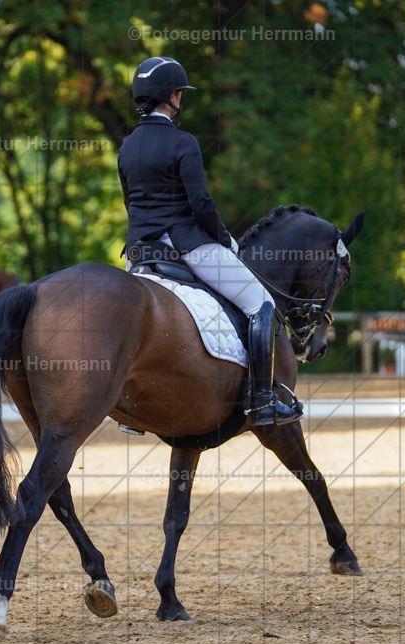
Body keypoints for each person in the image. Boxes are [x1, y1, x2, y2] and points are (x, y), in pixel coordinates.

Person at [118, 56, 301, 427]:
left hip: (139, 253)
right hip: (187, 246)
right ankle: (263, 398)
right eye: (180, 93)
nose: (181, 99)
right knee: (260, 304)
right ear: (171, 96)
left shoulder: (126, 146)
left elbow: (130, 202)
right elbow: (200, 202)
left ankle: (128, 412)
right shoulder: (182, 142)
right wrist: (225, 239)